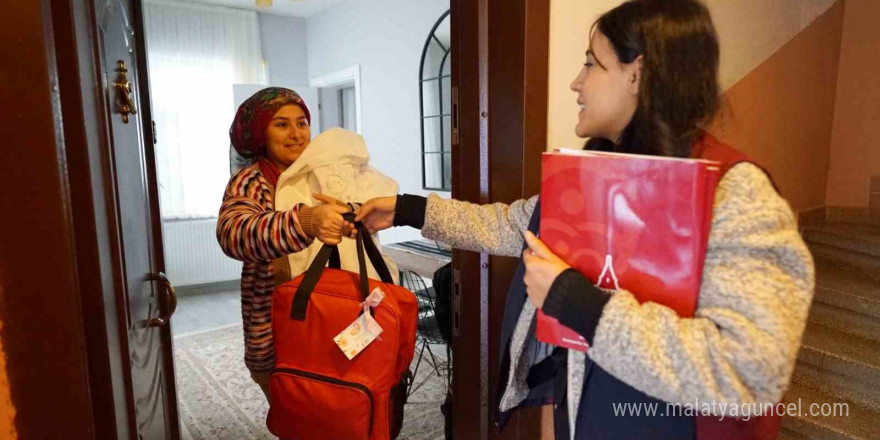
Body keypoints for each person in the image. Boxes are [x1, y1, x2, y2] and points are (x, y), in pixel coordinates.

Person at [356, 1, 814, 439]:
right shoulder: (596, 175)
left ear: (639, 73)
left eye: (592, 63)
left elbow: (751, 372)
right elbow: (508, 225)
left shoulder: (736, 193)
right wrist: (407, 209)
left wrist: (575, 303)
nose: (577, 82)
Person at [216, 87, 357, 401]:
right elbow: (233, 232)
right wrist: (306, 220)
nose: (296, 134)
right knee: (298, 417)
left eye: (302, 123)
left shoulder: (322, 173)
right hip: (277, 330)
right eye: (281, 124)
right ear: (260, 133)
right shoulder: (251, 181)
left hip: (330, 315)